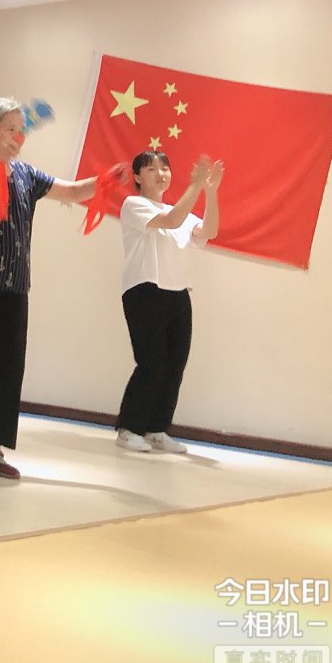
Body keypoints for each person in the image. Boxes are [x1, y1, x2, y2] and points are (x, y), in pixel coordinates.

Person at [0, 95, 129, 480]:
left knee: (11, 368)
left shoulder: (26, 174)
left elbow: (71, 192)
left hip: (14, 285)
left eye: (20, 130)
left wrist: (105, 180)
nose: (17, 137)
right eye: (9, 129)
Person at [115, 150, 222, 453]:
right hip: (144, 290)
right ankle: (129, 428)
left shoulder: (183, 214)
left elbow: (209, 231)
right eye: (151, 169)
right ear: (138, 177)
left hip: (178, 294)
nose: (160, 174)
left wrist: (210, 192)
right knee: (152, 362)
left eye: (165, 169)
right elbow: (171, 221)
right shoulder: (134, 205)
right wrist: (196, 185)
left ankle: (156, 428)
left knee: (175, 365)